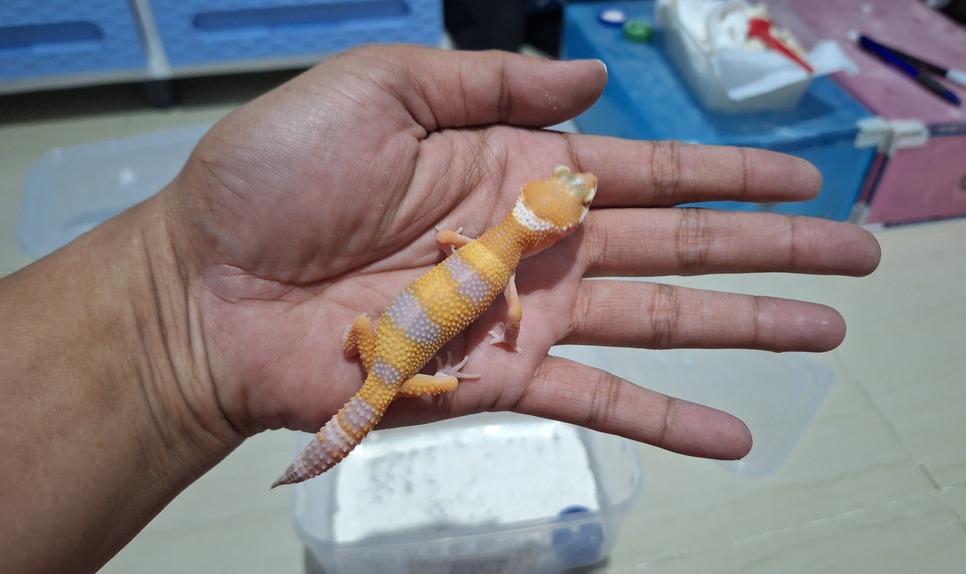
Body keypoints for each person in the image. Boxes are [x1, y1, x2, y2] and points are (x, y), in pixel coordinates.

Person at [0, 45, 880, 573]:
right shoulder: (505, 270)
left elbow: (464, 253)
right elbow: (503, 304)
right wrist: (468, 361)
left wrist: (444, 347)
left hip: (385, 342)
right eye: (573, 188)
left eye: (573, 190)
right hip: (393, 362)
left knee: (397, 373)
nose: (577, 187)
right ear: (547, 226)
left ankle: (363, 414)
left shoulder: (489, 242)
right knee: (401, 383)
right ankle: (371, 417)